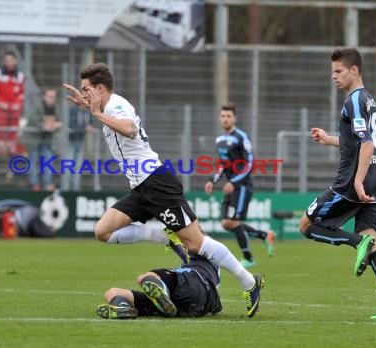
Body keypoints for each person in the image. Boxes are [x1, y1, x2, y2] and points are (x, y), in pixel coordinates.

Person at [64, 63, 263, 318]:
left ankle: (249, 282)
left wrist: (97, 114)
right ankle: (163, 236)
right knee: (102, 231)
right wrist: (89, 106)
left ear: (100, 88)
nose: (84, 94)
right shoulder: (106, 107)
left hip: (157, 183)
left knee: (196, 243)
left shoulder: (116, 105)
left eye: (86, 89)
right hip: (140, 187)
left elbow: (129, 128)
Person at [298, 48, 376, 320]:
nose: (333, 76)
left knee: (306, 226)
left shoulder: (354, 100)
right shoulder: (368, 99)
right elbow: (360, 140)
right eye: (332, 71)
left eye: (339, 71)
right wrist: (329, 139)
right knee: (372, 242)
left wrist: (356, 182)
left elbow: (368, 143)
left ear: (354, 70)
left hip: (351, 182)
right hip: (374, 180)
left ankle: (355, 242)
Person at [205, 103, 275, 268]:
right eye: (223, 116)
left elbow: (249, 164)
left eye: (229, 116)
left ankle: (249, 258)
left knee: (232, 221)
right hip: (231, 185)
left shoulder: (241, 137)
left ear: (234, 118)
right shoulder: (220, 139)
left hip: (242, 185)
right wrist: (212, 180)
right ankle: (265, 235)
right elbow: (222, 164)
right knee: (226, 222)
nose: (225, 119)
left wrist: (234, 182)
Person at [96, 254, 221, 319]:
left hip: (189, 283)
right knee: (112, 291)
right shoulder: (213, 283)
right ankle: (122, 308)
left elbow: (197, 240)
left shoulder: (199, 262)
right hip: (190, 308)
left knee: (143, 278)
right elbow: (217, 310)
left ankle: (163, 297)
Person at [0, 51, 25, 157]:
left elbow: (21, 93)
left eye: (10, 60)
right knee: (0, 126)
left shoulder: (19, 75)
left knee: (13, 128)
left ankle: (11, 148)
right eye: (6, 60)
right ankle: (0, 147)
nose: (8, 62)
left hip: (15, 108)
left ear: (15, 61)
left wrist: (17, 104)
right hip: (1, 107)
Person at [28, 88, 62, 192]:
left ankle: (47, 184)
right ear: (44, 97)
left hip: (46, 140)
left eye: (53, 97)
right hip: (34, 140)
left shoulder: (55, 109)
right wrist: (45, 125)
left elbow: (59, 122)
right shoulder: (38, 107)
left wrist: (56, 125)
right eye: (49, 96)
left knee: (48, 161)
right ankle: (34, 184)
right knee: (33, 162)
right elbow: (32, 120)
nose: (51, 99)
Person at [66, 105, 94, 191]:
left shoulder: (87, 111)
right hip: (70, 142)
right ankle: (66, 188)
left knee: (78, 167)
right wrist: (84, 128)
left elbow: (91, 122)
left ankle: (75, 189)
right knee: (68, 166)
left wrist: (89, 127)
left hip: (81, 141)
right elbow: (71, 124)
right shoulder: (72, 110)